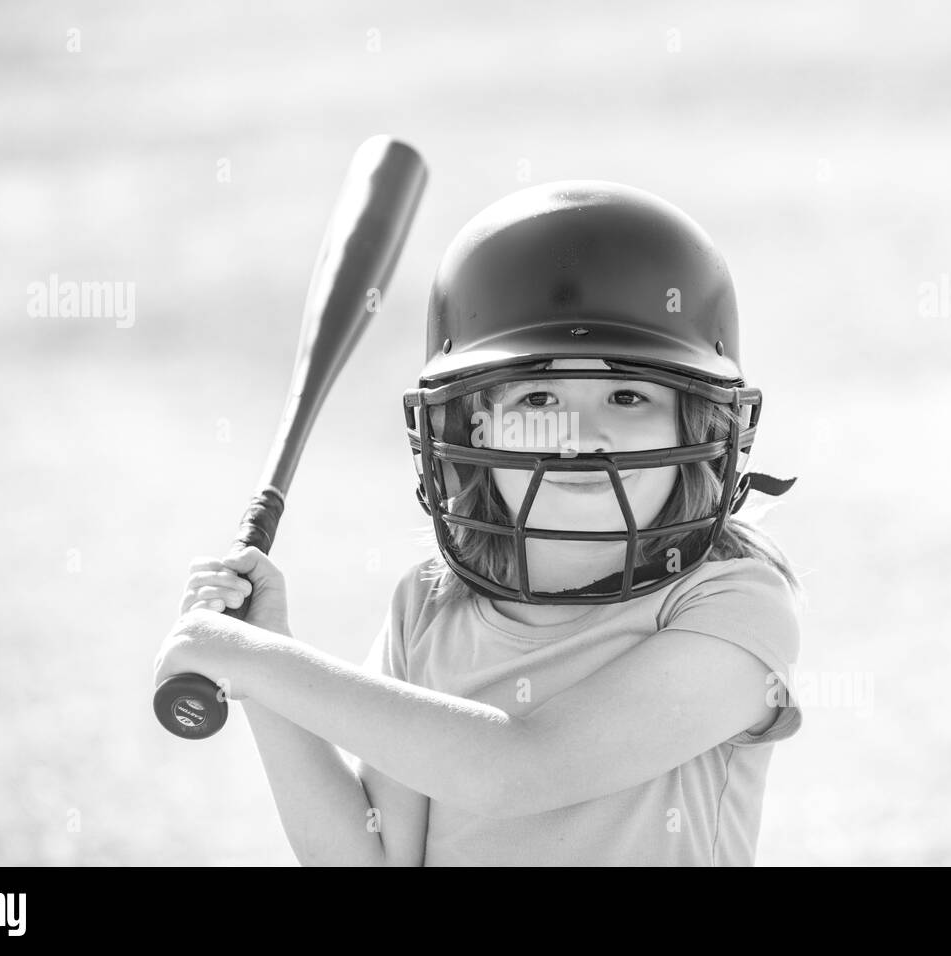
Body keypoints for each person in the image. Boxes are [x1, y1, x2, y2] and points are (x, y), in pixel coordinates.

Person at [154, 180, 805, 866]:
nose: (580, 434)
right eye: (539, 395)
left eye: (627, 394)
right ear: (474, 423)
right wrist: (261, 657)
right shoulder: (428, 608)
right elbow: (368, 859)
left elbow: (521, 768)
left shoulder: (733, 603)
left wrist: (259, 663)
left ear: (700, 421)